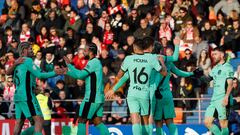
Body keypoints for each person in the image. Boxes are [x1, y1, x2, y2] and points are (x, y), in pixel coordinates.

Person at [106, 39, 166, 135]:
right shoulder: (151, 59)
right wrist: (162, 62)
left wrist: (113, 89)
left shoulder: (129, 59)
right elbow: (164, 73)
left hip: (132, 94)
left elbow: (122, 76)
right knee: (146, 122)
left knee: (135, 121)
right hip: (145, 93)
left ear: (134, 48)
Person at [6, 42, 63, 135]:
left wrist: (33, 86)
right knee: (39, 120)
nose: (33, 51)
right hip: (26, 95)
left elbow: (10, 74)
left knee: (19, 122)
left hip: (17, 96)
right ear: (24, 50)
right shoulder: (27, 60)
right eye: (30, 49)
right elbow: (40, 74)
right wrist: (55, 72)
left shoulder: (18, 62)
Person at [64, 43, 110, 135]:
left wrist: (69, 66)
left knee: (81, 120)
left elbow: (80, 75)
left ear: (91, 51)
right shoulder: (94, 62)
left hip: (92, 97)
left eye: (85, 50)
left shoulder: (94, 62)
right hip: (98, 97)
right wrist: (67, 71)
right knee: (97, 122)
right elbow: (82, 76)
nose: (83, 52)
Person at [204, 47, 234, 135]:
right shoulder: (215, 68)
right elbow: (207, 79)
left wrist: (226, 97)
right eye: (213, 54)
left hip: (223, 98)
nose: (213, 56)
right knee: (207, 122)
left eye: (215, 54)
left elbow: (230, 84)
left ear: (221, 55)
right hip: (214, 99)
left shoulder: (227, 67)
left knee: (223, 124)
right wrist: (195, 74)